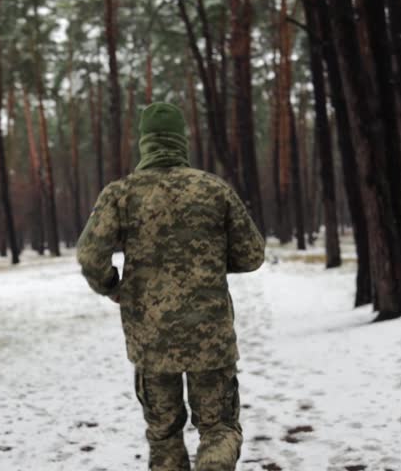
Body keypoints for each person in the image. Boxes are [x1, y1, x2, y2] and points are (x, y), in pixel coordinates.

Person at [77, 102, 266, 471]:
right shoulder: (213, 190)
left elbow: (89, 254)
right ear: (182, 141)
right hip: (209, 336)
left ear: (145, 142)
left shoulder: (122, 194)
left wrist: (113, 287)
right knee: (218, 428)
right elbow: (253, 254)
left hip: (151, 340)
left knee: (163, 437)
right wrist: (207, 264)